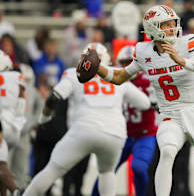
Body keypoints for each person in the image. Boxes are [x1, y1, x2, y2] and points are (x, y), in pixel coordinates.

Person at [79, 5, 194, 196]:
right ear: (153, 28)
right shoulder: (144, 52)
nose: (172, 28)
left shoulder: (186, 43)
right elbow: (119, 77)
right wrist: (98, 69)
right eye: (166, 24)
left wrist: (181, 60)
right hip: (170, 116)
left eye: (173, 24)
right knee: (167, 152)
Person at [22, 43, 151, 196]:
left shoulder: (73, 74)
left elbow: (54, 97)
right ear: (107, 59)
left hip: (83, 129)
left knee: (52, 169)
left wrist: (44, 117)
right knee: (107, 172)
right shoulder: (117, 73)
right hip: (114, 133)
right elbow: (145, 103)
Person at [91, 45, 158, 196]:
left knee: (139, 167)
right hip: (122, 135)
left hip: (145, 134)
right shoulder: (112, 80)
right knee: (106, 170)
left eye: (130, 62)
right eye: (123, 63)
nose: (127, 67)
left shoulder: (148, 80)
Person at [0, 49, 23, 196]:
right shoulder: (16, 76)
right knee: (2, 166)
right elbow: (22, 102)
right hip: (14, 125)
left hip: (1, 125)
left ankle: (16, 190)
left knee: (1, 166)